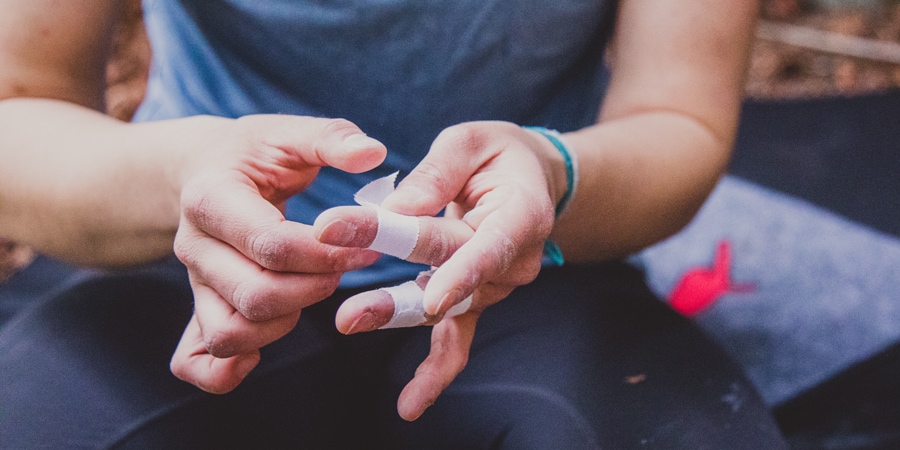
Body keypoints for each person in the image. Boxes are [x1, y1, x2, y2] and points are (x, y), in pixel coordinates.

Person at [0, 0, 787, 448]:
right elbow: (18, 108)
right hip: (188, 263)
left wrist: (551, 173)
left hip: (538, 265)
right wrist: (182, 175)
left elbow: (678, 114)